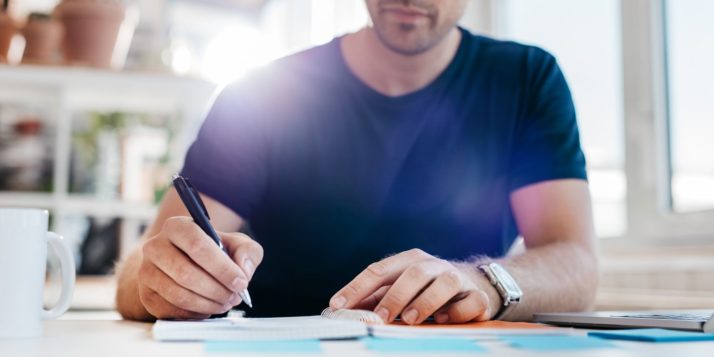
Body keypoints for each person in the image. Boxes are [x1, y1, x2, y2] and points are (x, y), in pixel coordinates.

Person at [116, 0, 598, 324]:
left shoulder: (527, 80)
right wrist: (161, 282)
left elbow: (575, 263)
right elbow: (140, 270)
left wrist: (487, 282)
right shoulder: (261, 94)